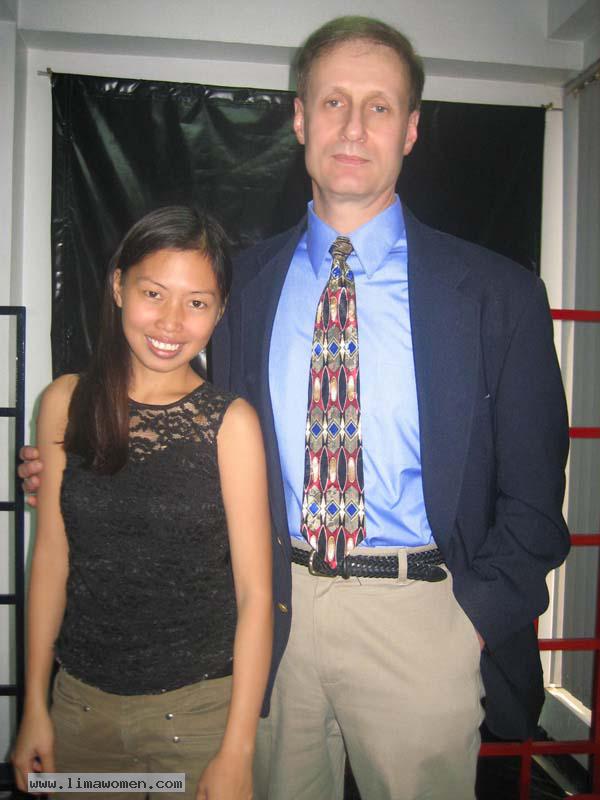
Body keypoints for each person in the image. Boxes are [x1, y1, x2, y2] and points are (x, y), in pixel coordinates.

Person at [20, 15, 570, 800]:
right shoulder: (240, 284)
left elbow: (535, 499)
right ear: (301, 118)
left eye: (379, 106)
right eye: (334, 102)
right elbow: (182, 414)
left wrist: (470, 622)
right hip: (269, 616)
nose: (355, 127)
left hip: (422, 618)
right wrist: (74, 468)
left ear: (411, 129)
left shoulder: (498, 294)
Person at [13, 206, 272, 800]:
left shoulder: (230, 423)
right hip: (81, 715)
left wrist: (237, 750)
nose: (171, 321)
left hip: (198, 719)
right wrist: (34, 706)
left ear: (220, 311)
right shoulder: (64, 402)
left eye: (197, 302)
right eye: (153, 293)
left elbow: (255, 594)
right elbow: (51, 559)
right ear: (117, 286)